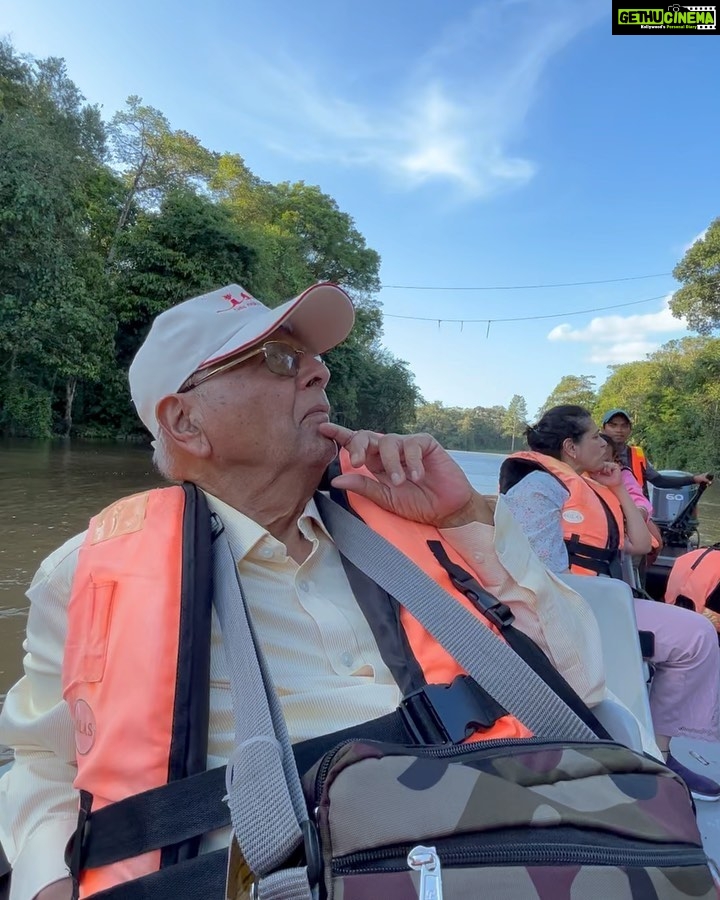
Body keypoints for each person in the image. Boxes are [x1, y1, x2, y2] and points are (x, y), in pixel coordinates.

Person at [0, 283, 606, 900]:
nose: (318, 372)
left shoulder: (414, 530)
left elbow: (581, 685)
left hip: (522, 845)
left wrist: (463, 518)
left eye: (313, 359)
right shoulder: (81, 577)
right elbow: (47, 768)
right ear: (186, 421)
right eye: (279, 358)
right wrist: (46, 881)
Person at [499, 405, 720, 802]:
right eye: (595, 436)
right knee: (697, 635)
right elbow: (536, 576)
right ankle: (662, 755)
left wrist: (618, 488)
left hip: (603, 602)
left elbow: (638, 544)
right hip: (576, 611)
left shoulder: (587, 485)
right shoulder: (539, 488)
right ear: (570, 447)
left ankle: (659, 749)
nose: (607, 441)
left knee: (696, 635)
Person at [601, 409, 713, 495]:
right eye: (613, 425)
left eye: (624, 426)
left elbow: (659, 481)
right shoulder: (591, 451)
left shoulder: (637, 455)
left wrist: (694, 479)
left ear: (630, 430)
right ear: (603, 429)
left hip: (637, 508)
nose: (619, 430)